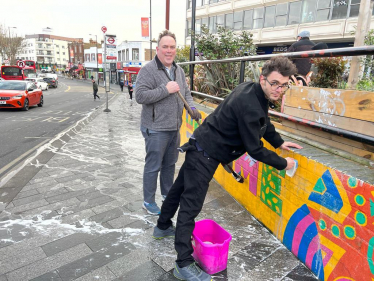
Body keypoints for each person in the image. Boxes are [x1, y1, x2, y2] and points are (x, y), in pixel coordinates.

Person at [153, 56, 303, 281]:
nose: (279, 89)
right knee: (190, 207)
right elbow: (255, 148)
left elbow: (264, 123)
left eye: (283, 85)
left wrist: (279, 142)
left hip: (200, 146)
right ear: (263, 79)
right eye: (274, 83)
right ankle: (183, 263)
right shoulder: (250, 103)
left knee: (177, 190)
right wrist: (284, 163)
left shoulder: (252, 90)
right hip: (205, 154)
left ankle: (162, 226)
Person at [135, 30, 201, 215]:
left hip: (174, 127)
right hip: (155, 128)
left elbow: (186, 92)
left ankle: (167, 194)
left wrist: (192, 109)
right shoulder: (147, 70)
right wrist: (165, 89)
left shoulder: (178, 70)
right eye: (165, 47)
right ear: (157, 49)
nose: (169, 51)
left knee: (170, 164)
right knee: (153, 166)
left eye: (172, 47)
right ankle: (148, 202)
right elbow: (140, 96)